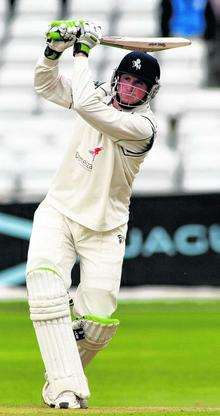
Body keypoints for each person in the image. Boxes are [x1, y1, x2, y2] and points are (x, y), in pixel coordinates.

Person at [26, 19, 160, 409]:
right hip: (59, 212)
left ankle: (58, 379)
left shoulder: (142, 126)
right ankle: (66, 390)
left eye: (139, 86)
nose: (130, 89)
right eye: (126, 81)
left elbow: (85, 104)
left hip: (106, 228)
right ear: (117, 79)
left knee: (97, 326)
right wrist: (54, 51)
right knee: (47, 291)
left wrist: (82, 51)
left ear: (149, 93)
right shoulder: (99, 95)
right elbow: (46, 86)